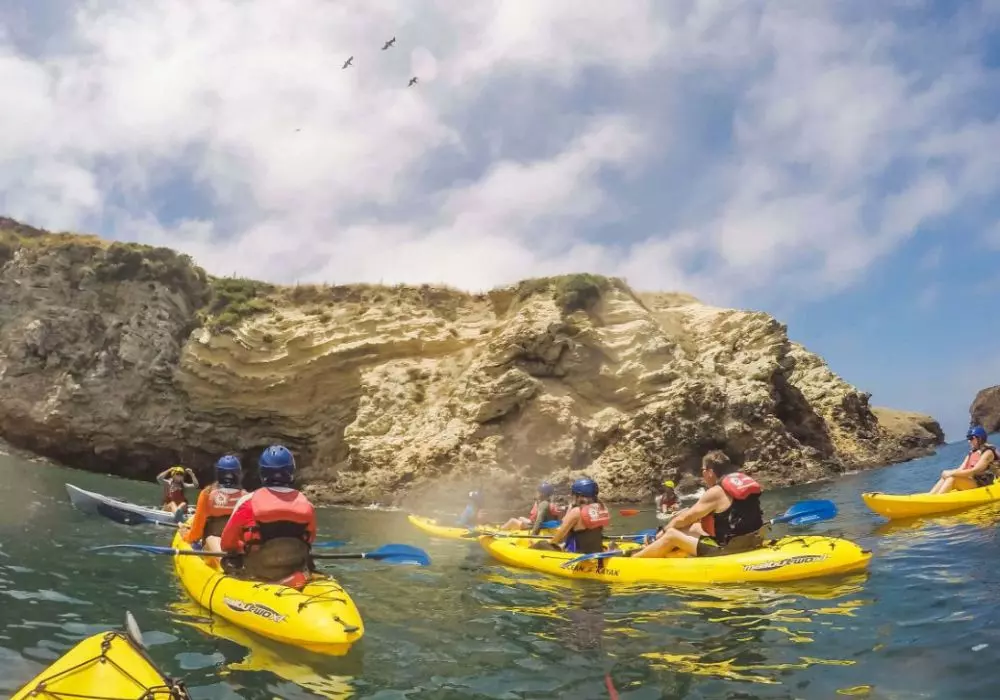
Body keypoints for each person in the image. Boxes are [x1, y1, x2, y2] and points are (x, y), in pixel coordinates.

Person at [631, 450, 764, 558]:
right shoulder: (740, 483)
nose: (703, 475)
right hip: (754, 539)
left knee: (671, 534)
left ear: (709, 472)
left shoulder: (716, 491)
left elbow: (684, 518)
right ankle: (662, 548)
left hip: (730, 550)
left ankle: (634, 559)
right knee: (694, 527)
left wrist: (664, 531)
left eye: (703, 471)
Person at [219, 445, 318, 588]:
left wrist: (243, 546)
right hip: (294, 566)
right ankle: (295, 578)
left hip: (260, 570)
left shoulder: (248, 502)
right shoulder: (307, 505)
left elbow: (227, 544)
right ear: (291, 471)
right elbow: (310, 539)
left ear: (262, 472)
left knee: (230, 559)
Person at [180, 455, 247, 553]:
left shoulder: (207, 493)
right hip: (238, 545)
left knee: (211, 539)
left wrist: (185, 536)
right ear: (238, 474)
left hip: (212, 545)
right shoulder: (246, 497)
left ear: (218, 473)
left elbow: (196, 532)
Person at [532, 477, 611, 554]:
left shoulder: (576, 511)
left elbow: (558, 538)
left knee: (541, 544)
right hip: (597, 552)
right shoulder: (601, 507)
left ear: (578, 495)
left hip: (579, 556)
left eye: (573, 494)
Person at [929, 426, 998, 494]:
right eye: (968, 438)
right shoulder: (971, 453)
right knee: (945, 477)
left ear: (979, 438)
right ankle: (930, 497)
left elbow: (975, 471)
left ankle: (937, 500)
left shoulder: (988, 453)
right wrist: (947, 473)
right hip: (972, 481)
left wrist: (951, 473)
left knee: (952, 479)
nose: (969, 441)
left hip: (983, 483)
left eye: (971, 438)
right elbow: (961, 469)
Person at [501, 482, 565, 533]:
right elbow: (558, 516)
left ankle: (500, 532)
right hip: (538, 524)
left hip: (535, 527)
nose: (537, 493)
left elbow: (539, 521)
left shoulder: (544, 505)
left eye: (538, 492)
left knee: (512, 520)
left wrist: (533, 534)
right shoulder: (548, 503)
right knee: (520, 518)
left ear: (542, 494)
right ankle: (513, 530)